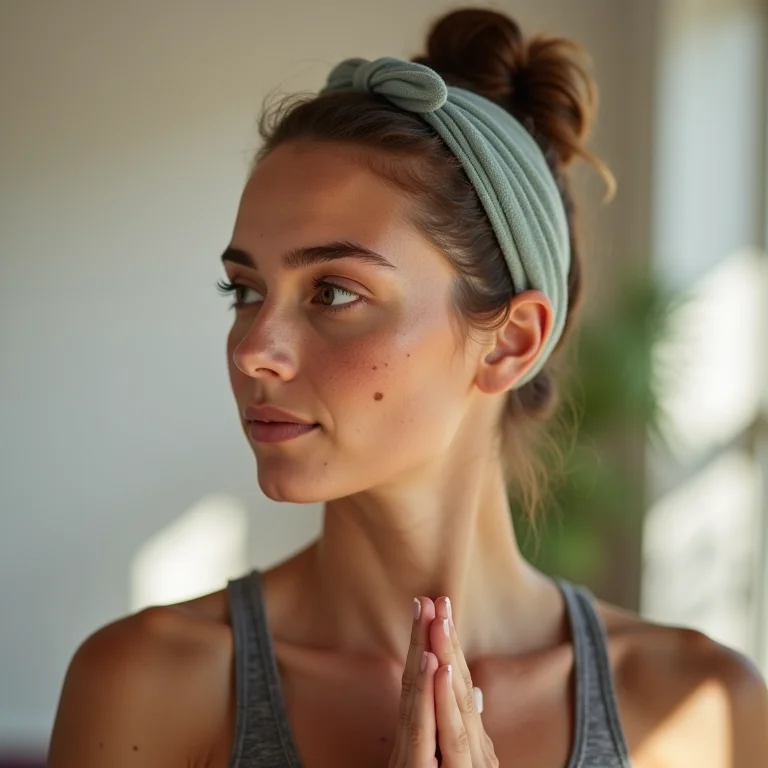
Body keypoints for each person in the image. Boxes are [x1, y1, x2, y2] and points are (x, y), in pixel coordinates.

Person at [48, 7, 768, 768]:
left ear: (511, 342)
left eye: (333, 292)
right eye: (246, 291)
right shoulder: (148, 685)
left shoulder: (704, 710)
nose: (255, 349)